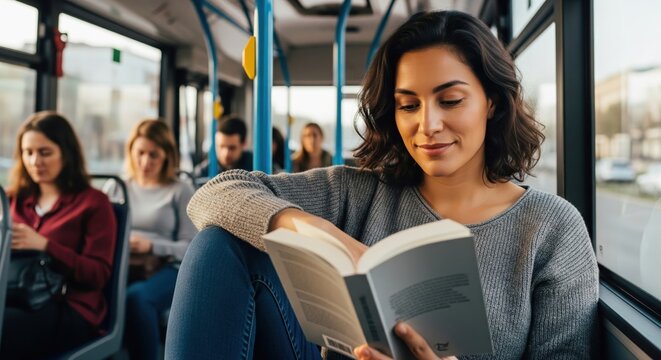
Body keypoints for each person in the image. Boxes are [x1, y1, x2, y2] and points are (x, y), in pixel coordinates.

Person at [166, 10, 598, 360]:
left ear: (491, 102)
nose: (426, 125)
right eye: (408, 105)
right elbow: (215, 193)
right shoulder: (361, 191)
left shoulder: (551, 229)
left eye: (450, 100)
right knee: (217, 244)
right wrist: (334, 239)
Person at [1, 111, 117, 358]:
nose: (35, 162)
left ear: (66, 153)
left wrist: (45, 245)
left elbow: (98, 275)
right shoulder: (13, 200)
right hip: (13, 295)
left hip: (69, 305)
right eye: (28, 153)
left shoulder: (94, 203)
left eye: (45, 152)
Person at [120, 119, 197, 360]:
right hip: (124, 264)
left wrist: (152, 246)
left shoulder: (180, 190)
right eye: (140, 153)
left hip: (170, 267)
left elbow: (193, 248)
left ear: (166, 156)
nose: (145, 162)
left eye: (153, 155)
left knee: (137, 298)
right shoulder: (118, 187)